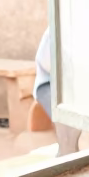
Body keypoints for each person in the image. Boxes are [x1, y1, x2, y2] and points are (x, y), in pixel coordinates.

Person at [33, 27, 82, 156]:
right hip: (48, 85)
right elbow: (46, 64)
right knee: (67, 132)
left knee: (74, 135)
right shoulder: (54, 29)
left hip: (73, 89)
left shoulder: (83, 29)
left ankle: (71, 159)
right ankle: (65, 161)